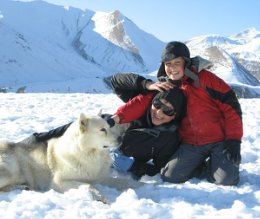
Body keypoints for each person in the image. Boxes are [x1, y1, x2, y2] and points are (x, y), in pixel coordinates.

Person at [110, 41, 243, 186]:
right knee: (170, 176)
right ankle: (208, 167)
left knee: (226, 181)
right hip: (191, 144)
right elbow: (138, 98)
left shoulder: (205, 79)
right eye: (168, 64)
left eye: (176, 63)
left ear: (185, 62)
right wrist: (146, 86)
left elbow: (231, 106)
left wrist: (234, 139)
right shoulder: (165, 86)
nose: (172, 68)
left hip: (219, 140)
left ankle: (222, 166)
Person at [21, 86, 186, 181]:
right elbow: (119, 81)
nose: (159, 112)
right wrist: (38, 138)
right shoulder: (137, 114)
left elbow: (159, 168)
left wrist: (132, 166)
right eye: (157, 103)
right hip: (105, 142)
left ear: (175, 115)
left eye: (168, 111)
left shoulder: (169, 138)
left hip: (118, 157)